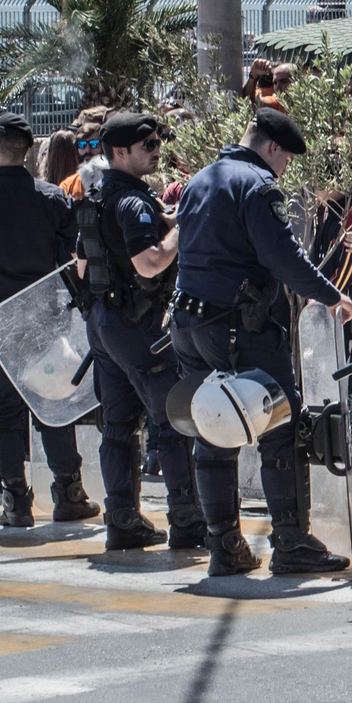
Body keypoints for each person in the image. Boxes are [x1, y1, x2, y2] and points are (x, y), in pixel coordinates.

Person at [172, 107, 352, 576]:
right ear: (273, 147)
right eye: (286, 160)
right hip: (239, 329)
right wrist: (331, 296)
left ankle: (224, 546)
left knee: (213, 426)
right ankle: (291, 542)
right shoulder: (257, 185)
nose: (285, 170)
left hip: (190, 325)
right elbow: (283, 257)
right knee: (280, 423)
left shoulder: (200, 180)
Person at [0, 112, 100, 529]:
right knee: (52, 402)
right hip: (44, 319)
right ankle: (68, 493)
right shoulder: (53, 199)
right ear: (29, 150)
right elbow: (77, 257)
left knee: (2, 412)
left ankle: (15, 501)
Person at [78, 111, 204, 551]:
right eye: (148, 144)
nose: (157, 150)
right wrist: (179, 230)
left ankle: (122, 520)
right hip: (140, 326)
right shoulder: (132, 202)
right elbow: (149, 263)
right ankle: (187, 519)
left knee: (117, 424)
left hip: (105, 325)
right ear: (120, 151)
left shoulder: (97, 197)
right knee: (171, 420)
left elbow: (82, 266)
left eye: (157, 142)